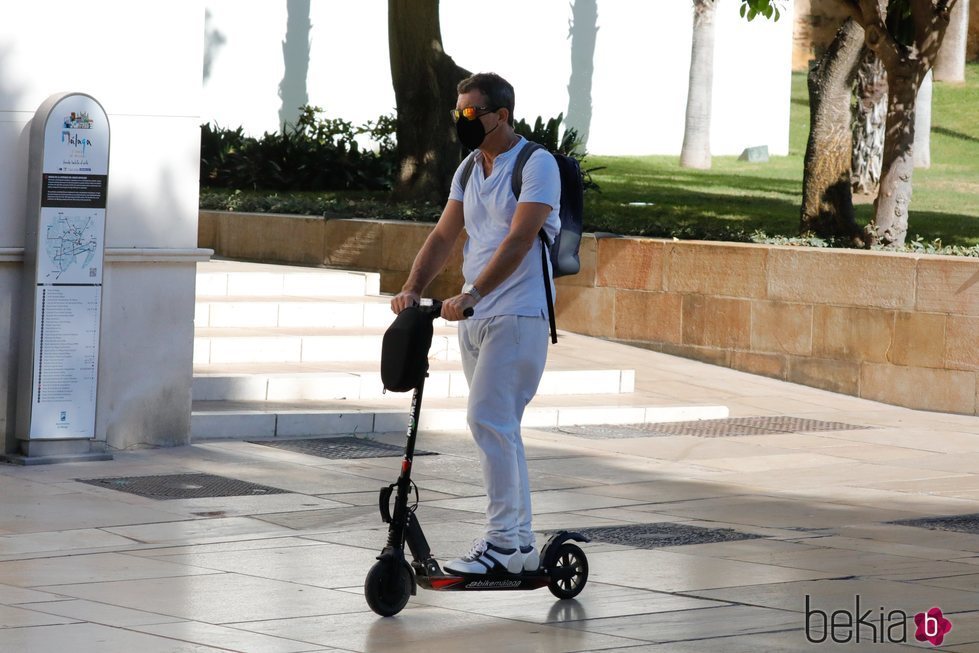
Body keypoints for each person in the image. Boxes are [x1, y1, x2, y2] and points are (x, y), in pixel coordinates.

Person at [390, 72, 560, 575]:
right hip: (476, 316)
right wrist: (413, 288)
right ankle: (521, 546)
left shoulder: (536, 164)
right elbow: (444, 236)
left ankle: (504, 546)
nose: (461, 122)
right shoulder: (468, 169)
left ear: (501, 116)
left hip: (519, 313)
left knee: (488, 421)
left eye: (470, 114)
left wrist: (474, 293)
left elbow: (520, 238)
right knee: (499, 428)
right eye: (456, 114)